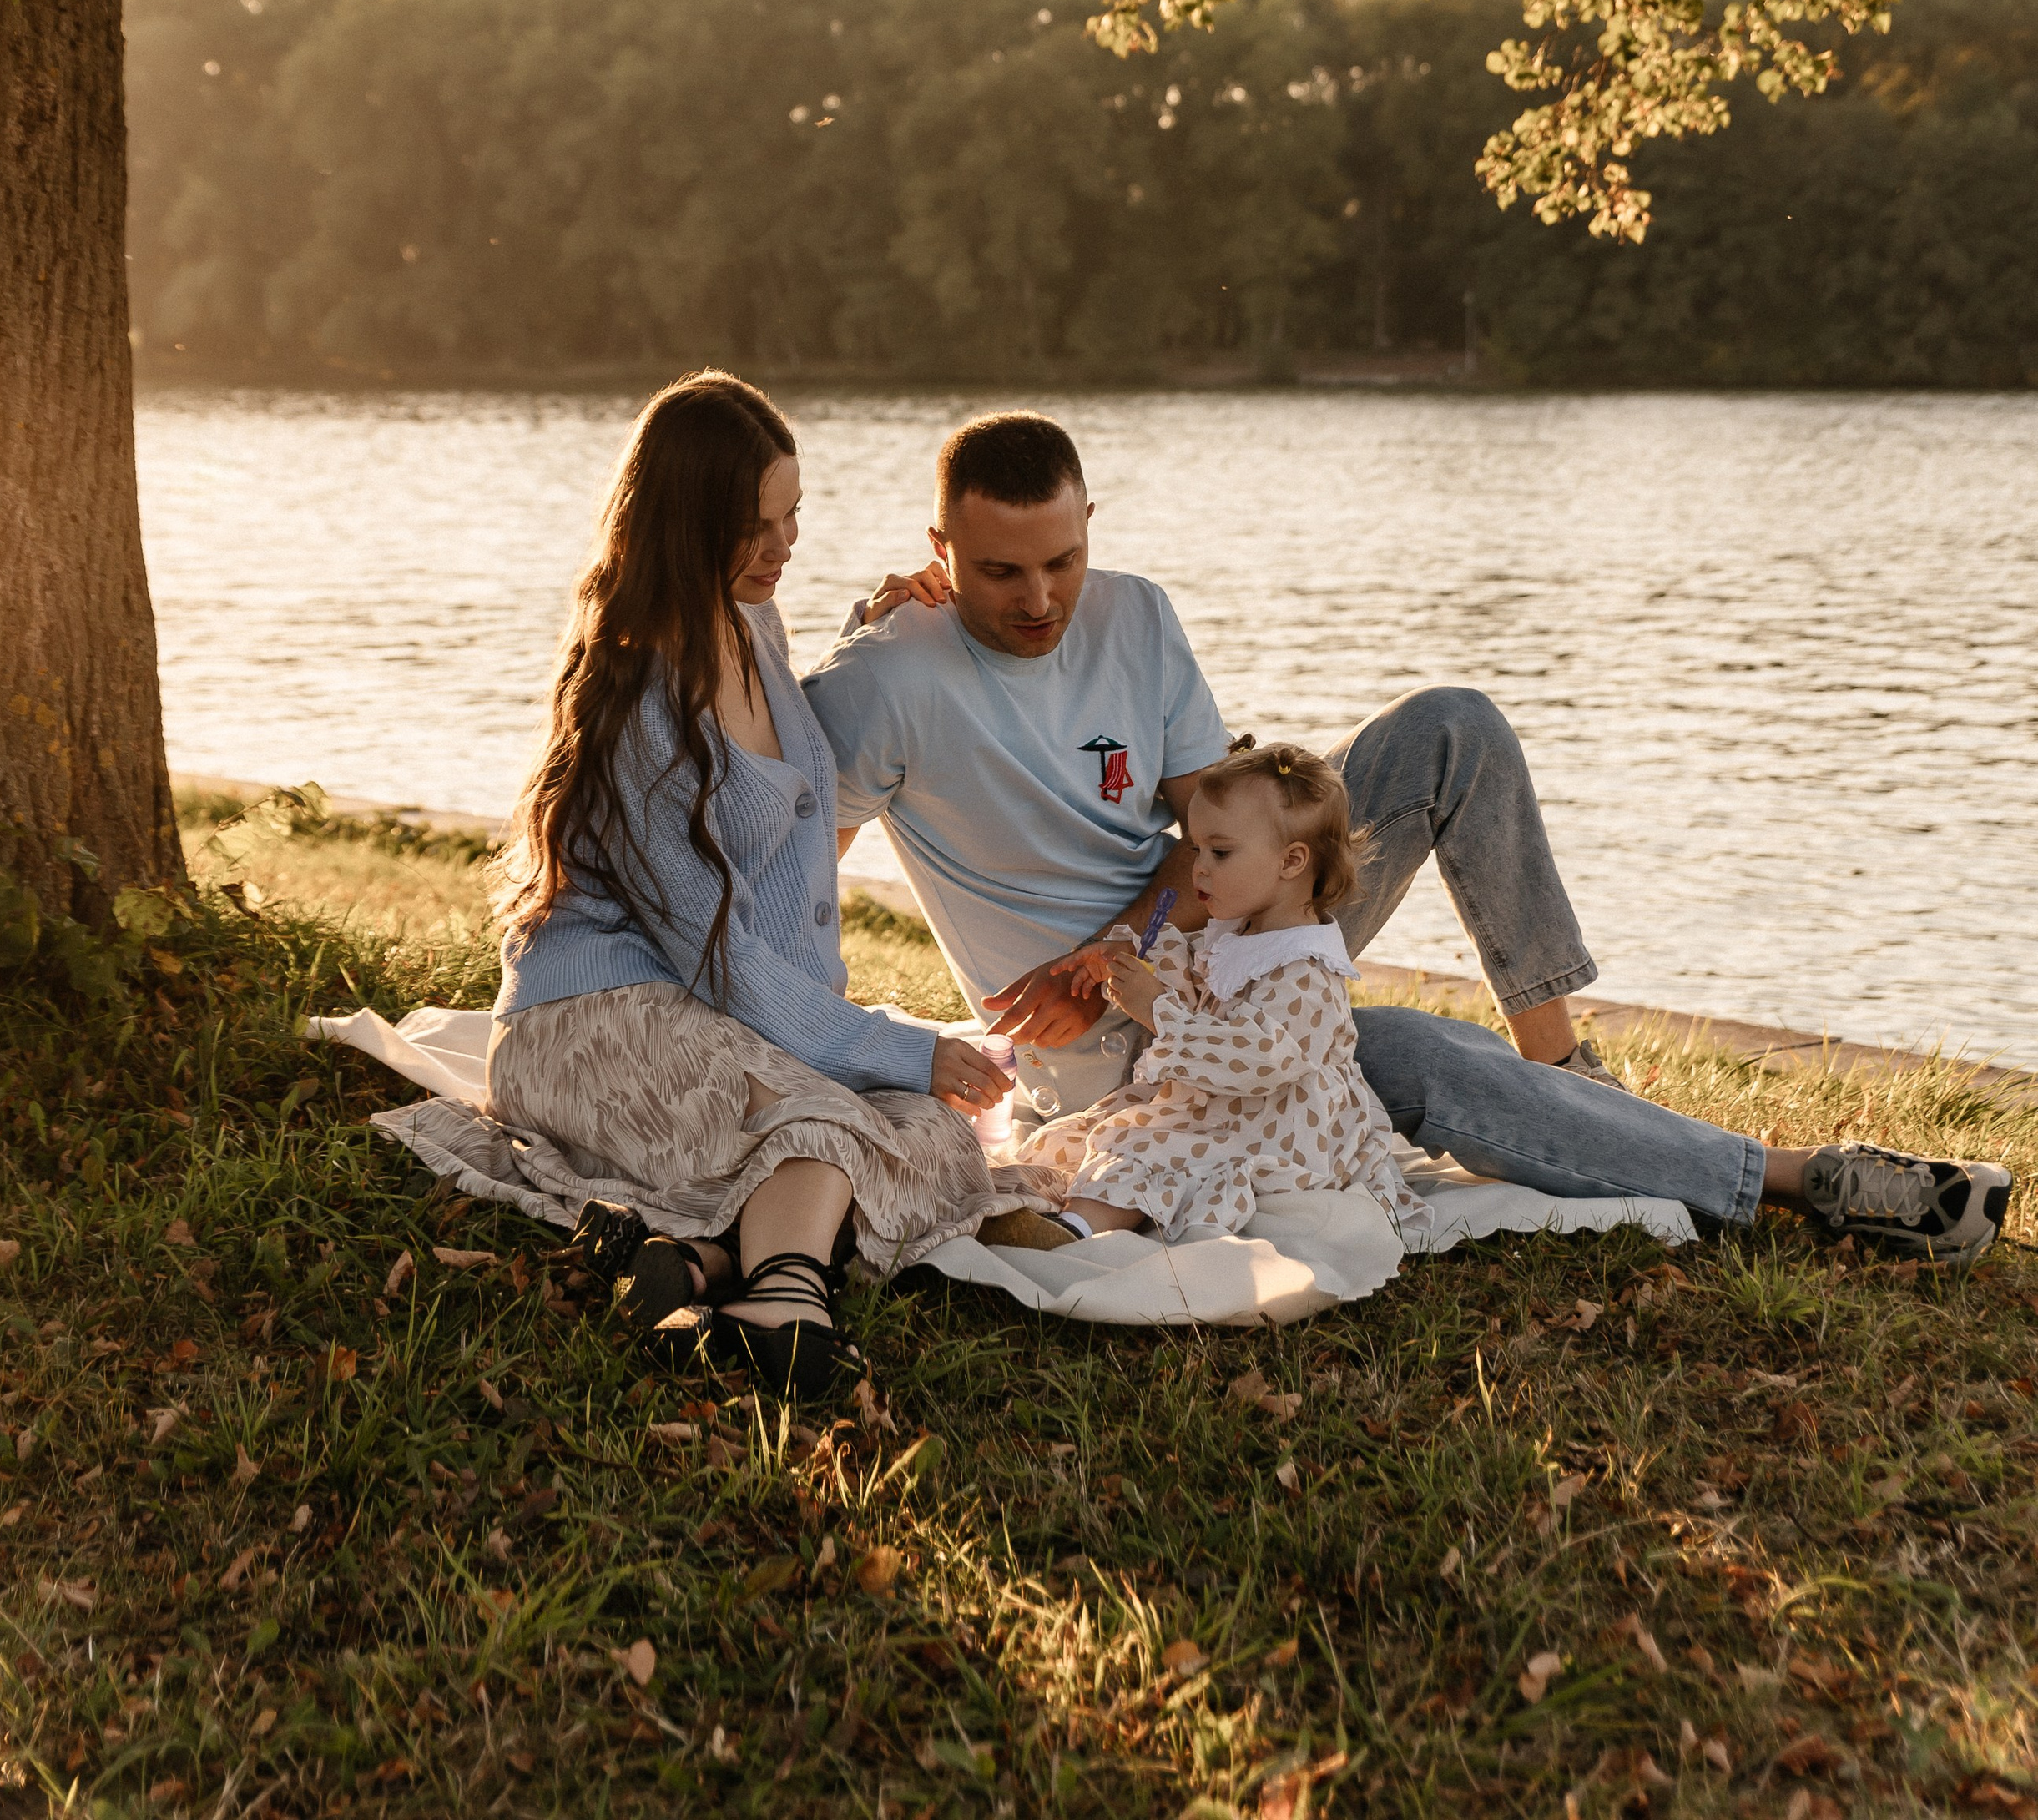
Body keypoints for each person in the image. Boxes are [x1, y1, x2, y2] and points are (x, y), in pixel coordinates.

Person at [809, 411, 2013, 1270]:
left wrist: (1141, 923)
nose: (1039, 600)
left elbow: (1213, 823)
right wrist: (856, 1043)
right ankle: (1804, 1180)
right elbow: (797, 876)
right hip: (1130, 1046)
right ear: (938, 548)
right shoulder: (886, 678)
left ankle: (1561, 1071)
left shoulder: (1137, 613)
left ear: (1091, 526)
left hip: (1214, 921)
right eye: (1000, 571)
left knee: (1451, 728)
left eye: (1062, 560)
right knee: (1417, 1057)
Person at [488, 371, 1016, 1395]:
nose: (783, 548)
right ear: (684, 525)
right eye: (753, 526)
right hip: (591, 1022)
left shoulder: (749, 620)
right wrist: (903, 1048)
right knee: (837, 1114)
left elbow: (780, 773)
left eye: (793, 516)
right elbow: (717, 952)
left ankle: (699, 1262)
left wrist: (875, 628)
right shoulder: (639, 695)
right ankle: (784, 1302)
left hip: (705, 1001)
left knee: (942, 1136)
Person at [1007, 739, 1423, 1247]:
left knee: (1148, 1153)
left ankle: (1073, 1230)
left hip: (1279, 1128)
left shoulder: (1306, 968)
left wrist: (1160, 1012)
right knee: (1090, 1134)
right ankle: (1047, 1205)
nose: (1199, 868)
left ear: (1292, 861)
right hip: (1220, 1103)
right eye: (1195, 848)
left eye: (1220, 852)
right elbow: (1201, 997)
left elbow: (1261, 1055)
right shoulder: (1236, 931)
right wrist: (1128, 966)